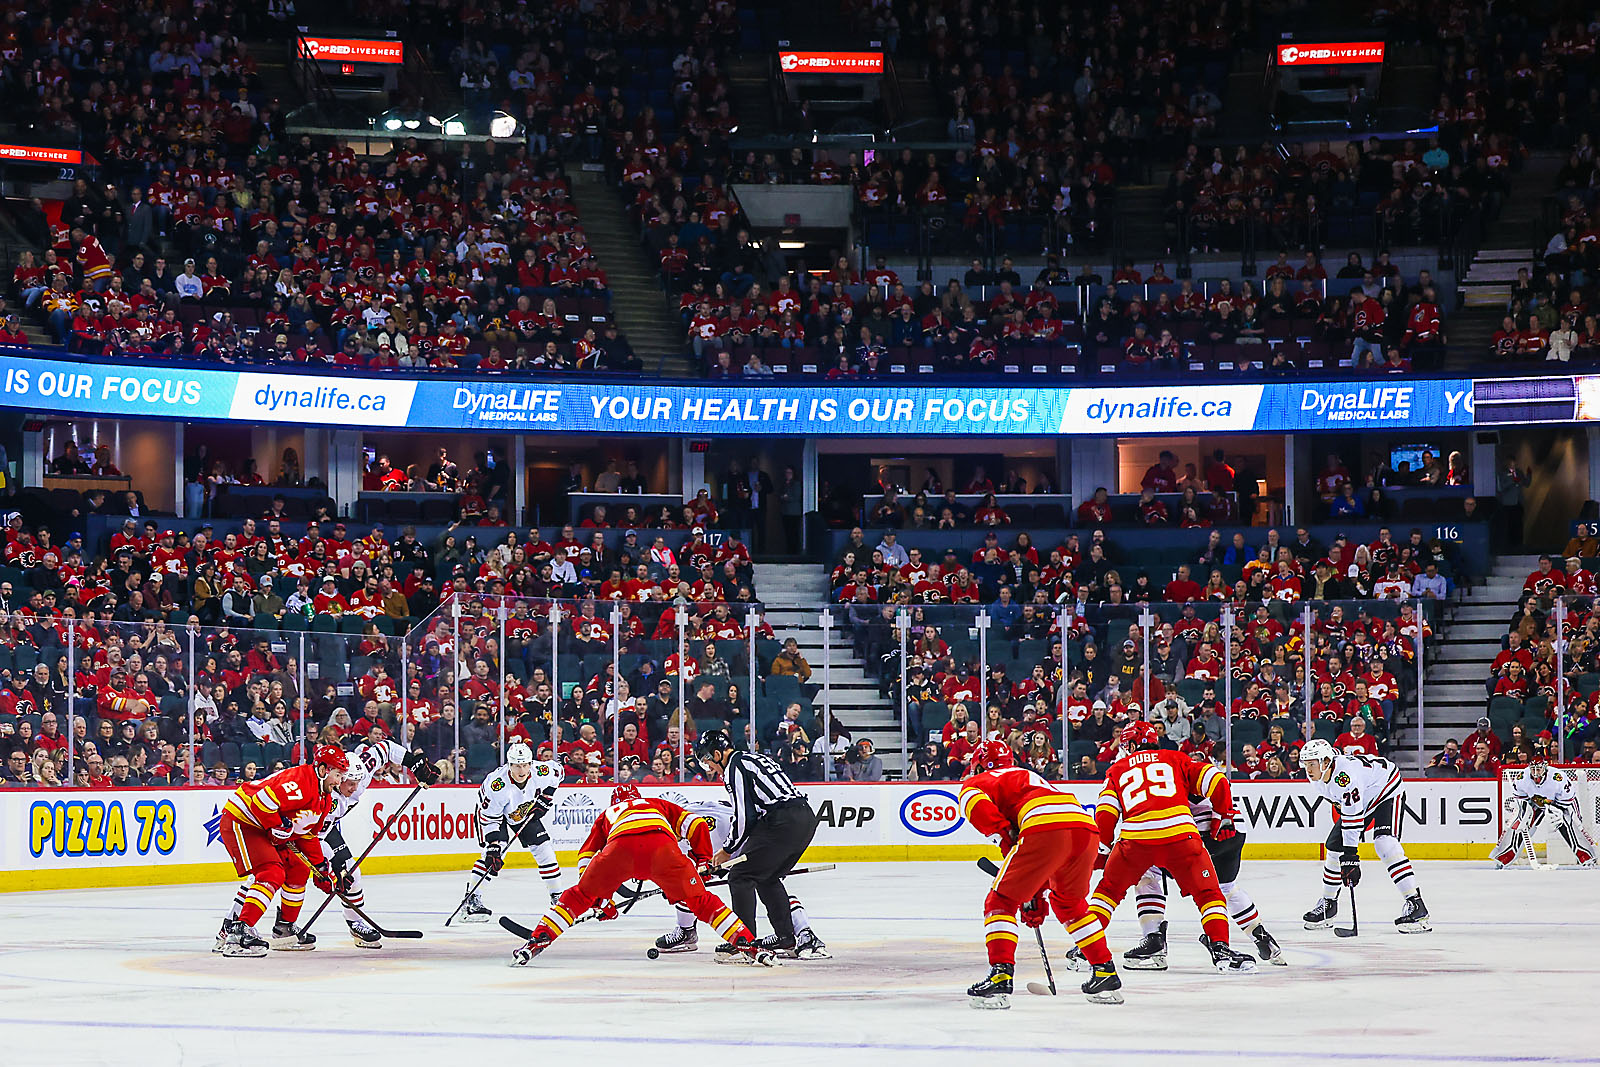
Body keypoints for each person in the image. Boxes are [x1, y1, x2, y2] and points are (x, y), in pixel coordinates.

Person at [510, 784, 775, 967]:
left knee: (577, 896)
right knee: (702, 902)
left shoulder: (608, 814)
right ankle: (747, 942)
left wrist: (599, 900)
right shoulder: (655, 804)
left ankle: (537, 939)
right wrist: (701, 861)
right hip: (661, 848)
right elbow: (696, 825)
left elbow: (586, 857)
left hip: (619, 849)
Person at [959, 739, 1124, 1008]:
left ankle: (1000, 976)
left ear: (978, 766)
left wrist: (1006, 840)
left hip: (1044, 827)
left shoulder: (976, 782)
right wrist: (1035, 893)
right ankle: (1105, 972)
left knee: (1000, 901)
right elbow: (1045, 855)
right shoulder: (1029, 776)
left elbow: (985, 814)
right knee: (1070, 904)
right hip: (1083, 826)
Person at [1086, 722, 1258, 973]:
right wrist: (1223, 815)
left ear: (1131, 745)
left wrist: (1103, 847)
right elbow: (1217, 779)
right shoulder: (1175, 758)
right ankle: (1221, 948)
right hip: (1180, 835)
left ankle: (1086, 948)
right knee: (1209, 894)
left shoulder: (1117, 769)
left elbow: (1105, 813)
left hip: (1135, 839)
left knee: (1107, 891)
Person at [214, 745, 350, 957]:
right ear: (323, 770)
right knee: (271, 872)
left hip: (262, 827)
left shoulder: (324, 799)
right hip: (243, 820)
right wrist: (276, 825)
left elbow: (307, 836)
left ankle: (284, 928)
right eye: (337, 775)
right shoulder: (301, 781)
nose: (339, 782)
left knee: (299, 868)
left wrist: (323, 871)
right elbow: (261, 801)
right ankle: (238, 934)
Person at [653, 796, 829, 958]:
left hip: (757, 843)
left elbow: (703, 871)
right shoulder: (688, 819)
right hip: (756, 841)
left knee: (763, 884)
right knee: (767, 885)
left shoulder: (705, 824)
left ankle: (801, 934)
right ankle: (790, 936)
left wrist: (680, 885)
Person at [695, 728, 817, 954]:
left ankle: (744, 941)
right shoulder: (753, 758)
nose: (710, 767)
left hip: (782, 821)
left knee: (740, 876)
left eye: (707, 761)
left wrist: (727, 850)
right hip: (805, 818)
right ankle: (785, 938)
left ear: (717, 754)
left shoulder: (734, 767)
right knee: (767, 877)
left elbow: (745, 816)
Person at [319, 731, 439, 947]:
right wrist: (331, 867)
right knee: (290, 875)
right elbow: (315, 836)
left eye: (358, 782)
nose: (355, 788)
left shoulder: (360, 771)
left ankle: (356, 924)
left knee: (351, 873)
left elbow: (386, 748)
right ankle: (279, 924)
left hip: (326, 829)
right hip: (308, 831)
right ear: (338, 779)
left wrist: (413, 763)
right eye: (350, 783)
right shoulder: (324, 796)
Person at [1299, 738, 1429, 932]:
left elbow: (1352, 819)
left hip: (1387, 788)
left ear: (1326, 762)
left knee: (1385, 843)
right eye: (1306, 764)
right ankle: (1328, 904)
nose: (1308, 769)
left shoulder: (1345, 777)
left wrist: (1351, 856)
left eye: (1312, 764)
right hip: (1365, 793)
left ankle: (1416, 905)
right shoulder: (1319, 775)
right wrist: (1347, 853)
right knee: (1334, 846)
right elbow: (1344, 806)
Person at [458, 742, 566, 921]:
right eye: (517, 765)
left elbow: (559, 773)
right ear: (509, 765)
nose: (522, 770)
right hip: (493, 816)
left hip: (522, 811)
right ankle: (471, 901)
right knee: (494, 853)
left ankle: (559, 899)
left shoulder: (541, 771)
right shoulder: (497, 785)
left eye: (525, 765)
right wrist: (493, 845)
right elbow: (489, 818)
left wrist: (546, 797)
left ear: (531, 763)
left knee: (544, 849)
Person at [1491, 760, 1596, 867]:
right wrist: (1526, 812)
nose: (1535, 772)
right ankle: (1505, 856)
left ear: (1545, 768)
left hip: (1558, 803)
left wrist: (1550, 806)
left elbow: (1568, 800)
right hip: (1535, 803)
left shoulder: (1557, 778)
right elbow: (1521, 799)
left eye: (1538, 769)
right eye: (1533, 769)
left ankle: (1586, 856)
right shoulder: (1522, 778)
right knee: (1520, 822)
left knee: (1566, 822)